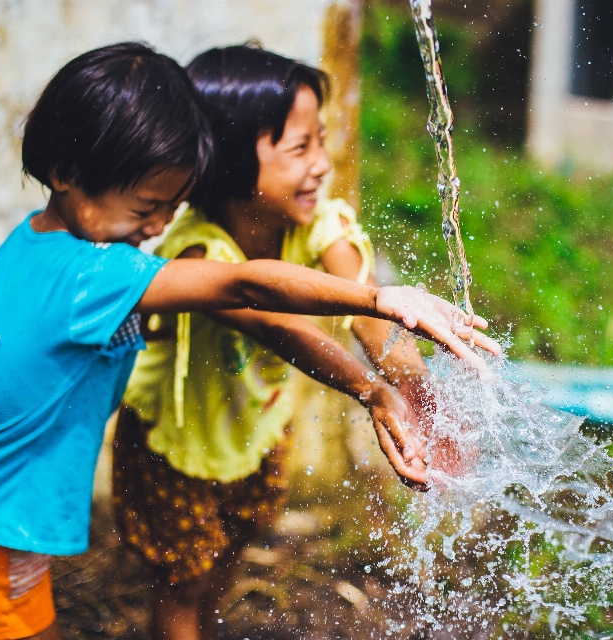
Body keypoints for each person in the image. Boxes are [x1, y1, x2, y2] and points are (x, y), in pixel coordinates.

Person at [0, 42, 499, 640]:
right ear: (67, 173)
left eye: (170, 208)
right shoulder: (94, 273)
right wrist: (379, 298)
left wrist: (397, 378)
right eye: (147, 207)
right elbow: (246, 285)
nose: (157, 229)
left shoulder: (36, 243)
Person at [113, 44, 474, 640]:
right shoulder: (200, 251)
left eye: (322, 141)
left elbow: (368, 310)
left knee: (233, 546)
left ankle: (204, 625)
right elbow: (282, 327)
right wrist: (370, 389)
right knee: (181, 579)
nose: (322, 164)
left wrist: (413, 383)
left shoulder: (318, 224)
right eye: (299, 147)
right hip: (175, 440)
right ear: (229, 161)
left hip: (258, 426)